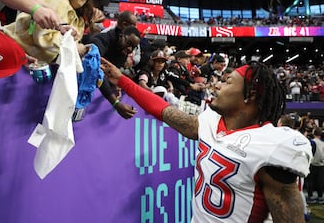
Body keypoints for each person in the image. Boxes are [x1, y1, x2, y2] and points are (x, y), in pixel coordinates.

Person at [100, 58, 313, 222]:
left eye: (227, 82)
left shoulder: (271, 146)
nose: (217, 86)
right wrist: (122, 80)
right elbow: (165, 110)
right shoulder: (210, 122)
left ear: (251, 94)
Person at [3, 0, 94, 63]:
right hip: (9, 51)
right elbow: (42, 36)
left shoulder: (79, 19)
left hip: (27, 59)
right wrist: (73, 48)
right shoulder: (59, 0)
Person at [82, 11, 140, 119]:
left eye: (133, 47)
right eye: (129, 44)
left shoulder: (122, 50)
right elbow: (96, 71)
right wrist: (115, 103)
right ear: (121, 33)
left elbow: (107, 74)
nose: (129, 49)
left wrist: (115, 84)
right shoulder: (101, 40)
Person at [306, 126, 324, 204]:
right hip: (322, 165)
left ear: (313, 133)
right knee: (320, 182)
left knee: (310, 181)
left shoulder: (312, 142)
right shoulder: (323, 142)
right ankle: (320, 197)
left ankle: (311, 197)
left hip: (313, 164)